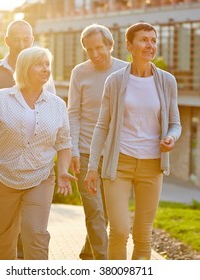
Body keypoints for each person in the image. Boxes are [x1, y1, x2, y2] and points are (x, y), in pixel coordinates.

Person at [85, 22, 182, 260]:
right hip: (119, 165)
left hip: (152, 167)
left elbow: (175, 123)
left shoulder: (167, 81)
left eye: (153, 40)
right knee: (119, 231)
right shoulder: (115, 81)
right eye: (144, 40)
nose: (150, 45)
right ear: (129, 45)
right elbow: (102, 125)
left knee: (143, 234)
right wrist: (91, 168)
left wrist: (171, 137)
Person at [0, 46, 76, 260]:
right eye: (39, 64)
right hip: (3, 178)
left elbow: (64, 142)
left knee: (35, 234)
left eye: (47, 64)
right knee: (4, 237)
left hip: (40, 177)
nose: (45, 69)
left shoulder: (57, 105)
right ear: (24, 68)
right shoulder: (0, 98)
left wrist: (63, 170)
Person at [67, 23, 127, 260]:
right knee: (94, 210)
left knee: (110, 213)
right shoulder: (79, 73)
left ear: (110, 45)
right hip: (84, 151)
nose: (94, 54)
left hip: (115, 154)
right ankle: (103, 264)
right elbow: (73, 113)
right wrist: (72, 149)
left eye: (99, 48)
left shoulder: (126, 70)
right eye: (89, 50)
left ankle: (88, 252)